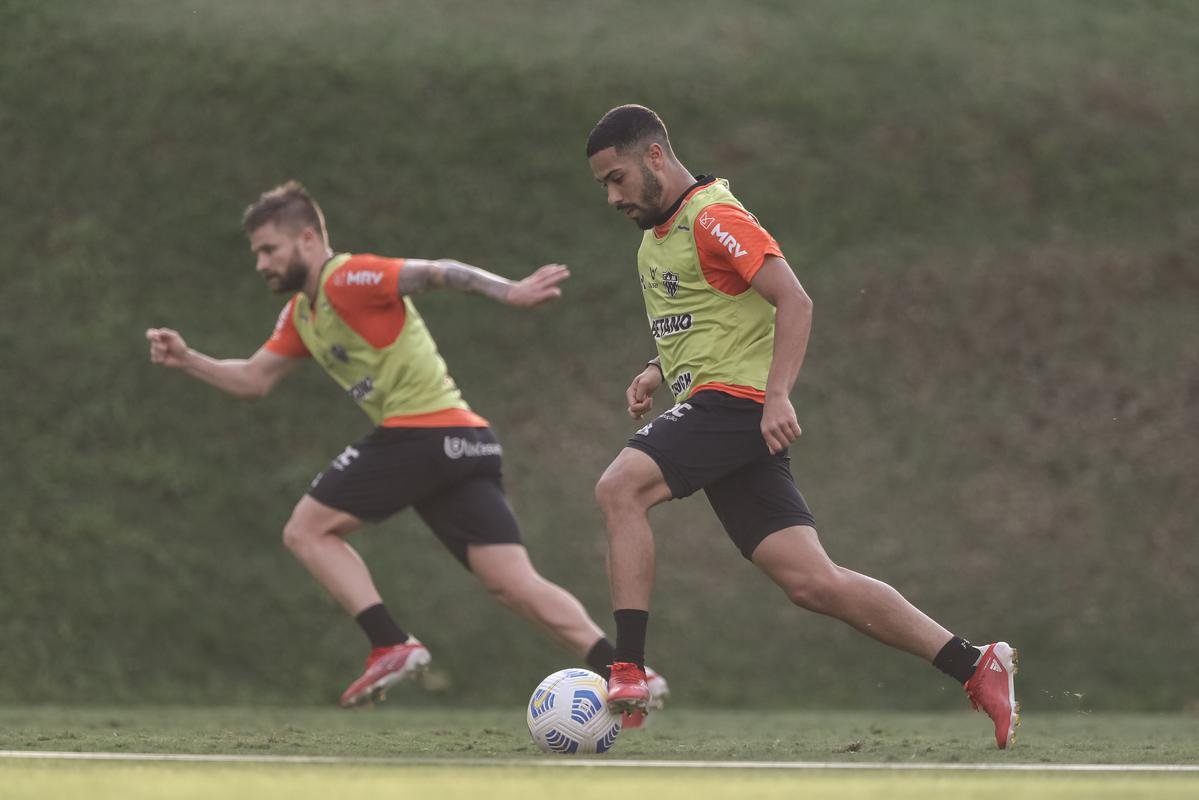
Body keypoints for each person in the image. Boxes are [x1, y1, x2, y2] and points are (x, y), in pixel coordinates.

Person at [583, 105, 1018, 748]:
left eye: (616, 178)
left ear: (653, 156)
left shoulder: (715, 217)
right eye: (604, 187)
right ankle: (974, 663)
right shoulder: (657, 237)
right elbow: (717, 317)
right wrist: (656, 368)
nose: (613, 196)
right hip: (723, 409)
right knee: (812, 582)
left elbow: (794, 299)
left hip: (734, 405)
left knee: (619, 489)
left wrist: (777, 395)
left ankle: (627, 669)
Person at [146, 181, 667, 712]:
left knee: (306, 530)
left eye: (269, 249)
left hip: (425, 433)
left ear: (306, 239)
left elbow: (435, 271)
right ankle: (627, 672)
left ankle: (390, 642)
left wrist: (507, 290)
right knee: (512, 582)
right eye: (256, 252)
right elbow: (254, 379)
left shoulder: (346, 277)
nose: (260, 263)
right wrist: (189, 359)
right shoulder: (303, 316)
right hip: (465, 442)